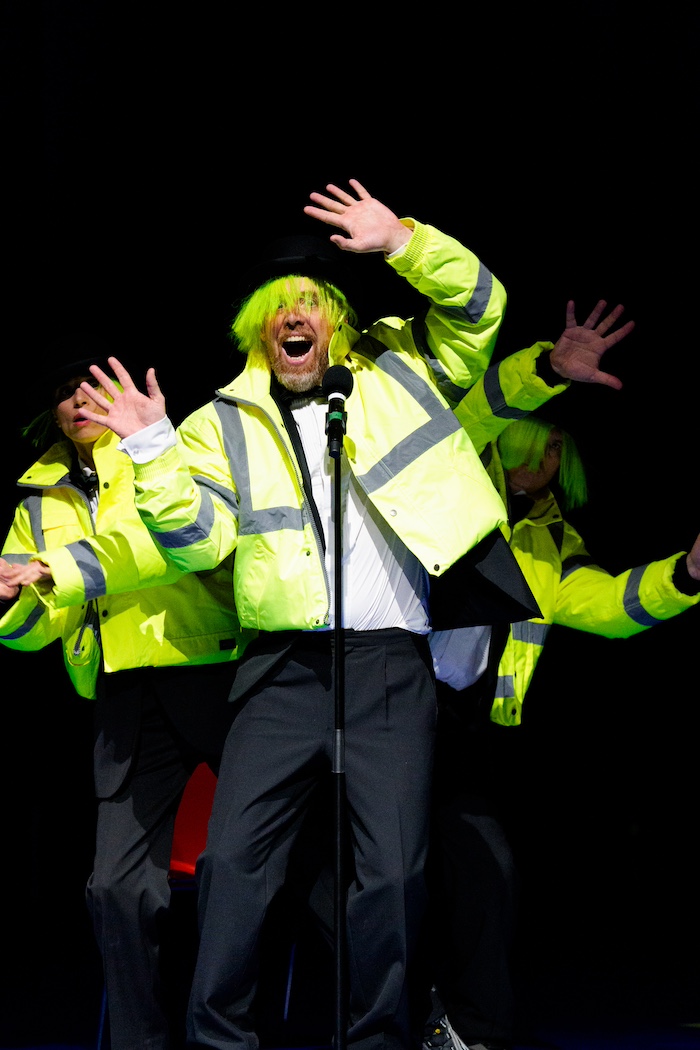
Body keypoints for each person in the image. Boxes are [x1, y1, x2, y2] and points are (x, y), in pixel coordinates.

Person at [74, 179, 635, 1050]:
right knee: (234, 865)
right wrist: (150, 450)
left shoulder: (401, 370)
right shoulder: (214, 425)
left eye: (311, 303)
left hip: (388, 664)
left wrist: (404, 241)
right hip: (278, 670)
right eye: (278, 307)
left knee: (391, 875)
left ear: (334, 316)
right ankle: (221, 1041)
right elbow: (195, 544)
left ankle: (377, 1041)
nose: (294, 318)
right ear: (258, 326)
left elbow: (483, 306)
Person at [0, 345, 254, 1050]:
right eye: (63, 391)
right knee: (115, 889)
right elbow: (37, 625)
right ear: (48, 410)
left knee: (287, 864)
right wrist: (13, 601)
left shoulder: (163, 450)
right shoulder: (39, 498)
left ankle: (399, 1014)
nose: (79, 400)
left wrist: (51, 570)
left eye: (90, 385)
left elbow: (166, 544)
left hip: (210, 672)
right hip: (122, 695)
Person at [422, 411, 700, 1050]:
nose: (542, 458)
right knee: (375, 875)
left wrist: (685, 575)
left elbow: (607, 605)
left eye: (555, 449)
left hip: (462, 729)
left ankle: (471, 1031)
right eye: (533, 441)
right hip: (383, 702)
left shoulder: (553, 542)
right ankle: (394, 1010)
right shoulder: (446, 490)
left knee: (488, 871)